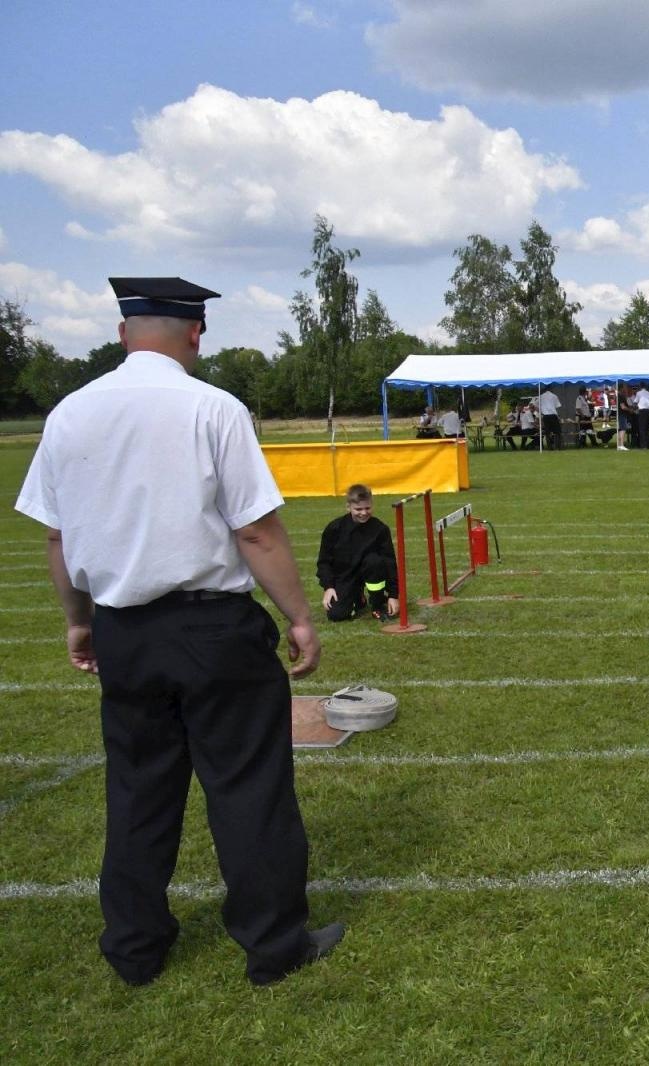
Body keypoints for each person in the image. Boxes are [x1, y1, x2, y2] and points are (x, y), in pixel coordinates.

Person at [14, 276, 341, 987]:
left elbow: (57, 537)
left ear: (122, 333)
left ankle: (135, 948)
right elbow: (255, 531)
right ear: (196, 332)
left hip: (123, 630)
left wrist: (78, 621)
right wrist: (299, 617)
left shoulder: (69, 413)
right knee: (248, 786)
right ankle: (273, 945)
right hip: (213, 628)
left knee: (138, 792)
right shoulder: (213, 407)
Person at [317, 484, 400, 622]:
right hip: (345, 574)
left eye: (367, 508)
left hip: (370, 570)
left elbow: (390, 562)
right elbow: (324, 561)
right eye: (358, 509)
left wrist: (393, 595)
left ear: (372, 505)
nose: (364, 513)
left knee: (375, 561)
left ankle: (378, 603)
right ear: (348, 507)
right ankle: (358, 599)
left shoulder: (380, 529)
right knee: (337, 615)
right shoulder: (334, 528)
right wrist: (328, 587)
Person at [632, 382, 649, 450]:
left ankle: (643, 445)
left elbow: (635, 402)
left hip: (642, 411)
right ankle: (648, 445)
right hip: (648, 411)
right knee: (647, 428)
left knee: (642, 429)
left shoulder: (638, 393)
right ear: (646, 387)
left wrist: (634, 408)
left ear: (640, 387)